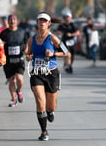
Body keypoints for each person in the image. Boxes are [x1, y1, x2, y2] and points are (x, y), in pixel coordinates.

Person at [25, 12, 69, 141]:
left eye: (45, 21)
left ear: (49, 23)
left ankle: (50, 111)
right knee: (40, 102)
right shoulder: (31, 39)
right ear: (37, 23)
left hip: (51, 74)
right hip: (37, 73)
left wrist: (53, 53)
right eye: (40, 21)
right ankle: (44, 132)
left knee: (51, 106)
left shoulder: (53, 38)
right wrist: (28, 57)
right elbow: (28, 54)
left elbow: (66, 52)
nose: (42, 23)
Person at [0, 14, 29, 107]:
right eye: (10, 20)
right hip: (8, 61)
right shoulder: (3, 33)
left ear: (17, 21)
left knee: (19, 79)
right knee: (11, 81)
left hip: (19, 60)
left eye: (14, 20)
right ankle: (13, 99)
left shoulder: (22, 32)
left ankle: (19, 91)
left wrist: (27, 51)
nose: (12, 22)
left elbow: (27, 43)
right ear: (8, 22)